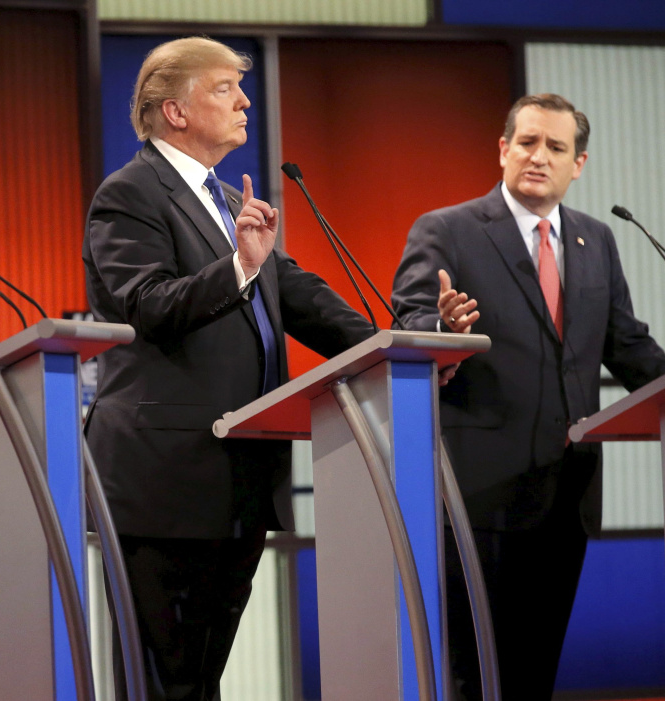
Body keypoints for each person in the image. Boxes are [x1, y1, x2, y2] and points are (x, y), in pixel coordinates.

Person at [83, 36, 376, 701]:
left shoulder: (220, 198)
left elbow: (299, 296)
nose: (245, 100)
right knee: (164, 682)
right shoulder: (129, 194)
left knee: (202, 679)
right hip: (164, 482)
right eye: (224, 88)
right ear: (174, 110)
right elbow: (146, 304)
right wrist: (241, 265)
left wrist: (400, 348)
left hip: (238, 480)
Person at [392, 93, 665, 701]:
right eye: (527, 142)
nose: (539, 157)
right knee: (477, 673)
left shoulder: (597, 239)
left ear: (579, 164)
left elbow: (631, 349)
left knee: (537, 672)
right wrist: (445, 332)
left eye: (556, 147)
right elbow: (409, 324)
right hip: (480, 494)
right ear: (503, 150)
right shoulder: (448, 230)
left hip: (567, 493)